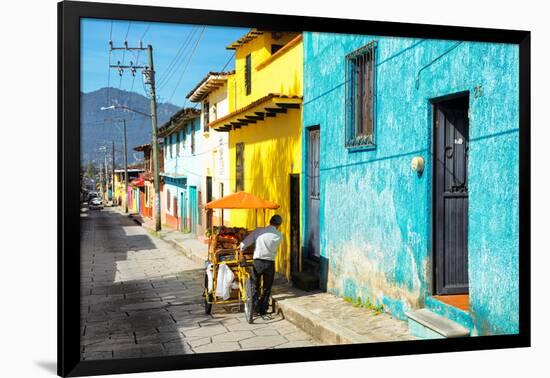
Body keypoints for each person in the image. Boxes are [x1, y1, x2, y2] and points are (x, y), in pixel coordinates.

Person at [239, 214, 283, 315]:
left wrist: (241, 247)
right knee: (267, 287)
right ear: (279, 225)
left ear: (270, 221)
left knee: (254, 284)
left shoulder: (259, 231)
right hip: (270, 263)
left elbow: (246, 242)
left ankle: (254, 306)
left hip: (258, 262)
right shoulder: (279, 235)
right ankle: (263, 308)